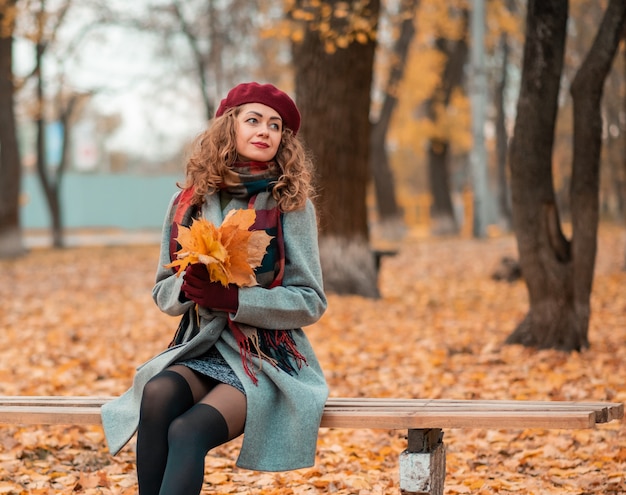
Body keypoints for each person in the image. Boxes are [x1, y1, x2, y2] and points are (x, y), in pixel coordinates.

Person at [101, 82, 329, 495]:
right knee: (157, 395)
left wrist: (236, 300)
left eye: (275, 126)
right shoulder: (188, 201)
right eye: (254, 120)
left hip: (265, 357)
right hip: (201, 349)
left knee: (188, 432)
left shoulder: (290, 202)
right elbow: (162, 292)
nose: (265, 131)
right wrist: (188, 289)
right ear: (230, 127)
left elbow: (311, 301)